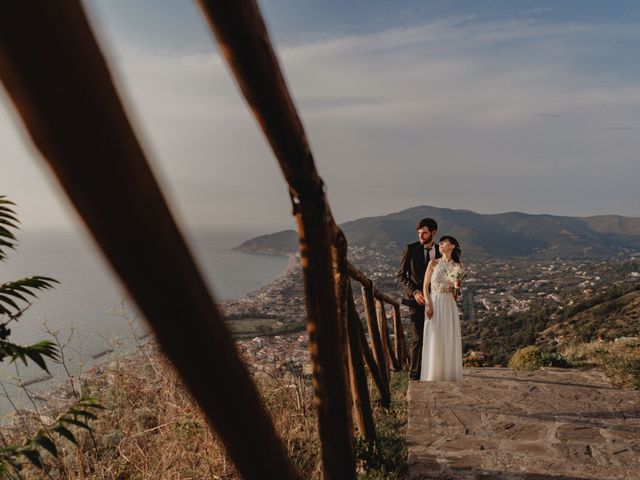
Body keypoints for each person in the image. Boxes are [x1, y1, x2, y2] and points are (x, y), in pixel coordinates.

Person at [396, 218, 440, 380]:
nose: (421, 236)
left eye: (425, 232)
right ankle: (415, 374)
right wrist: (415, 292)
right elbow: (400, 275)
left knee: (436, 335)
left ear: (433, 233)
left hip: (437, 300)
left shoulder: (441, 251)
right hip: (416, 301)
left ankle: (433, 370)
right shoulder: (411, 249)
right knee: (418, 337)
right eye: (419, 233)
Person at [420, 235, 464, 382]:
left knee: (447, 336)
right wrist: (428, 304)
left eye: (444, 242)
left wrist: (457, 286)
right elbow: (425, 286)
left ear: (451, 246)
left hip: (449, 303)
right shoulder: (433, 263)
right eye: (441, 242)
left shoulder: (457, 267)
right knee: (435, 335)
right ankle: (433, 374)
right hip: (434, 301)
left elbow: (457, 296)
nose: (441, 244)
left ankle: (448, 374)